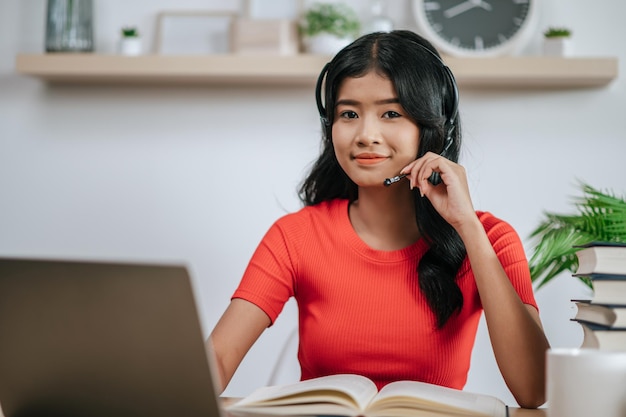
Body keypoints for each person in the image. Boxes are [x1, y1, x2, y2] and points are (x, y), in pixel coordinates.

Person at [208, 30, 550, 409]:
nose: (366, 135)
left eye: (391, 113)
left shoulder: (490, 238)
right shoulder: (295, 237)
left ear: (433, 126)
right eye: (349, 114)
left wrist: (468, 226)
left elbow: (534, 389)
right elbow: (218, 359)